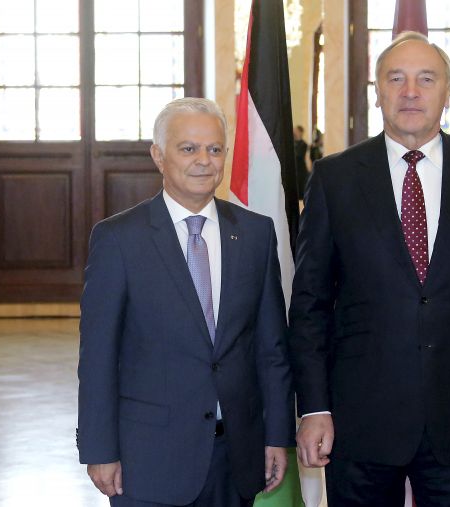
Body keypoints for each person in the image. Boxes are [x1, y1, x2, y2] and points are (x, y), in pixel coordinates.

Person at [288, 31, 450, 507]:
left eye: (426, 79)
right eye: (396, 78)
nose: (410, 92)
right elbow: (310, 304)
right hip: (360, 418)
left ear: (447, 92)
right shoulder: (335, 178)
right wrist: (314, 407)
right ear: (377, 91)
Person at [77, 97, 295, 507]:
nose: (203, 161)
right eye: (188, 148)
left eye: (214, 149)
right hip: (148, 460)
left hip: (236, 457)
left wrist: (277, 435)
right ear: (159, 156)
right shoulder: (119, 239)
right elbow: (98, 356)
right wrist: (99, 449)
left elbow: (271, 349)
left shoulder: (256, 234)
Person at [293, 125, 310, 199]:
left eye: (296, 130)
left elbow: (299, 155)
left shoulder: (304, 144)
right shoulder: (292, 142)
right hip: (294, 168)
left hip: (301, 168)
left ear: (300, 132)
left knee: (301, 187)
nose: (294, 132)